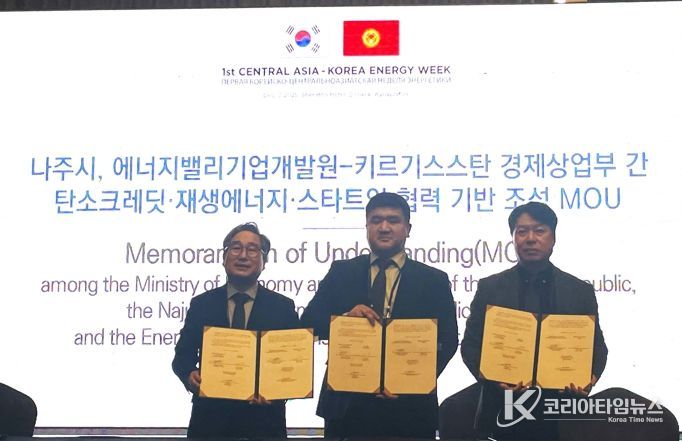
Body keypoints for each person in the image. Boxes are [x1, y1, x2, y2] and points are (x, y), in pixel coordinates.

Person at [301, 192, 458, 439]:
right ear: (367, 227)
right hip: (347, 406)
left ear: (407, 229)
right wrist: (344, 318)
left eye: (393, 220)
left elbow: (448, 341)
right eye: (376, 220)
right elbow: (309, 323)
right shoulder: (342, 271)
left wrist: (411, 381)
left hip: (410, 408)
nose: (384, 227)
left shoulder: (433, 280)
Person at [461, 202, 608, 440]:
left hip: (561, 411)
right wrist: (492, 376)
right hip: (503, 408)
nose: (530, 239)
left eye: (539, 231)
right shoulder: (490, 287)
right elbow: (470, 345)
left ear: (553, 238)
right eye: (522, 231)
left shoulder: (579, 290)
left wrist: (589, 378)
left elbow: (597, 348)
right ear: (513, 238)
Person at [172, 222, 300, 438]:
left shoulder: (282, 307)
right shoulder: (202, 304)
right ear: (224, 257)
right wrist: (189, 374)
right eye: (236, 248)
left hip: (264, 423)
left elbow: (293, 364)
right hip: (210, 422)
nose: (243, 255)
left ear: (264, 262)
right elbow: (182, 356)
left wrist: (277, 391)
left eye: (252, 249)